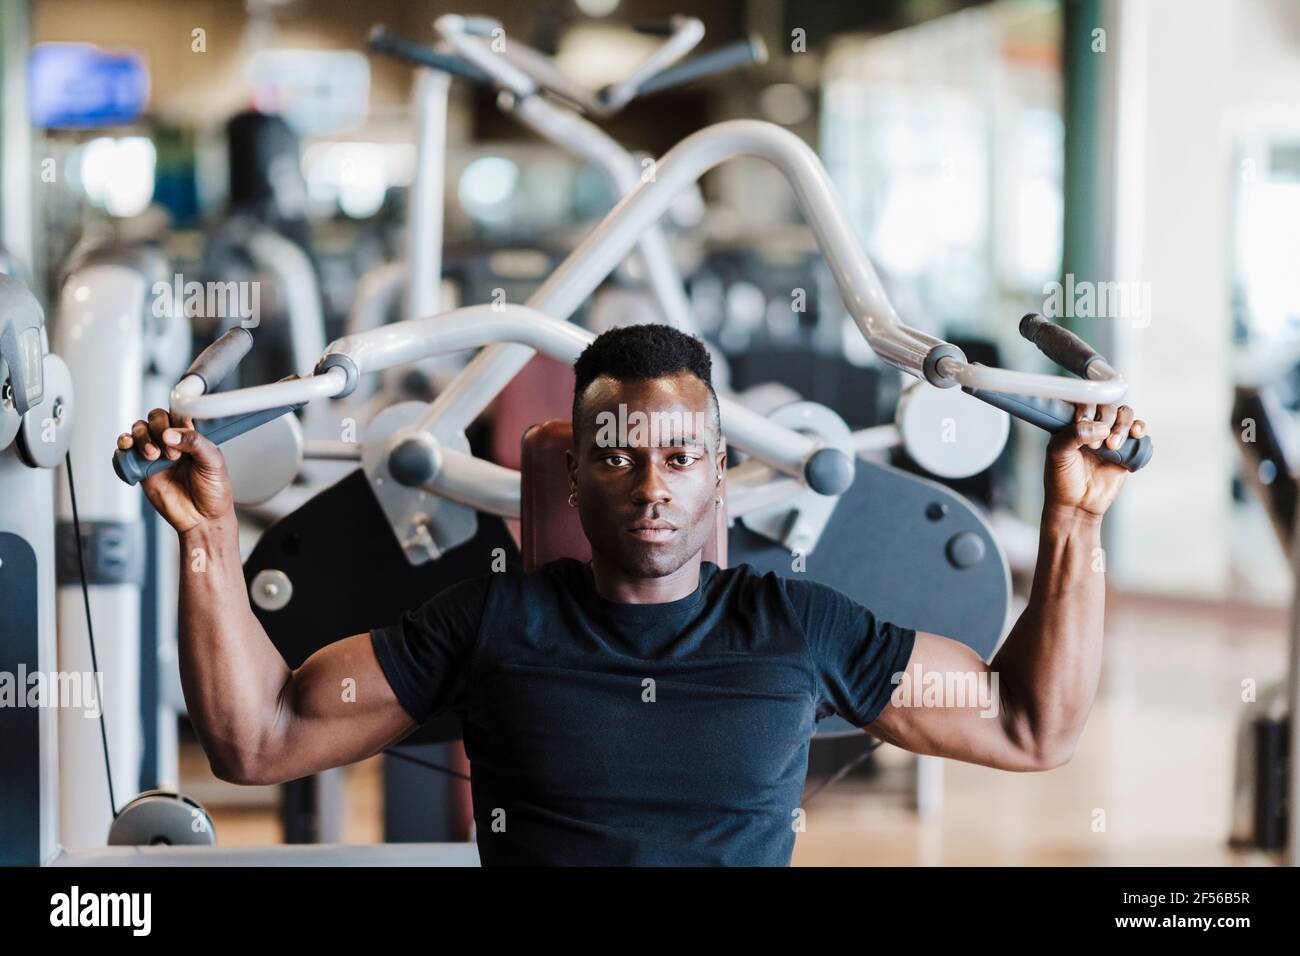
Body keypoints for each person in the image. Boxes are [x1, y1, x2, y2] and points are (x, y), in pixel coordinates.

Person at [117, 323, 1147, 866]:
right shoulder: (493, 616)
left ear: (717, 472)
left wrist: (1076, 520)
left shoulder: (794, 622)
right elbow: (257, 738)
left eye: (679, 456)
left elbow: (1023, 724)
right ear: (573, 475)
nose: (652, 485)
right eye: (618, 456)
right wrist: (207, 533)